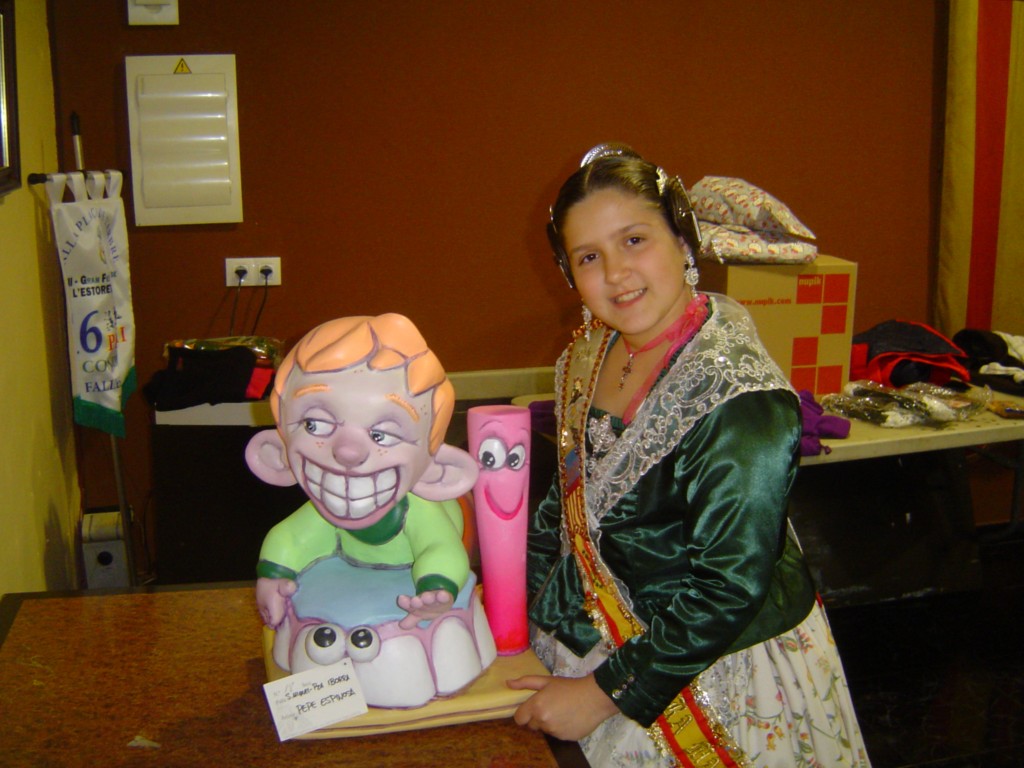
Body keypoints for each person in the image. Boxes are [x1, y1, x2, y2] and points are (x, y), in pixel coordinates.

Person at [508, 144, 870, 767]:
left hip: (715, 668)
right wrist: (512, 609)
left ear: (683, 240)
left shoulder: (741, 398)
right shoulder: (588, 354)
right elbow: (564, 507)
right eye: (589, 257)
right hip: (600, 629)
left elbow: (729, 587)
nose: (616, 273)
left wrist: (602, 694)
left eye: (635, 240)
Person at [245, 313, 479, 632]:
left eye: (382, 435)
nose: (347, 452)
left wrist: (436, 587)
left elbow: (439, 547)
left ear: (438, 470)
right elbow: (292, 537)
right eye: (314, 425)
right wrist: (273, 577)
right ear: (278, 453)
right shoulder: (324, 509)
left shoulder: (418, 511)